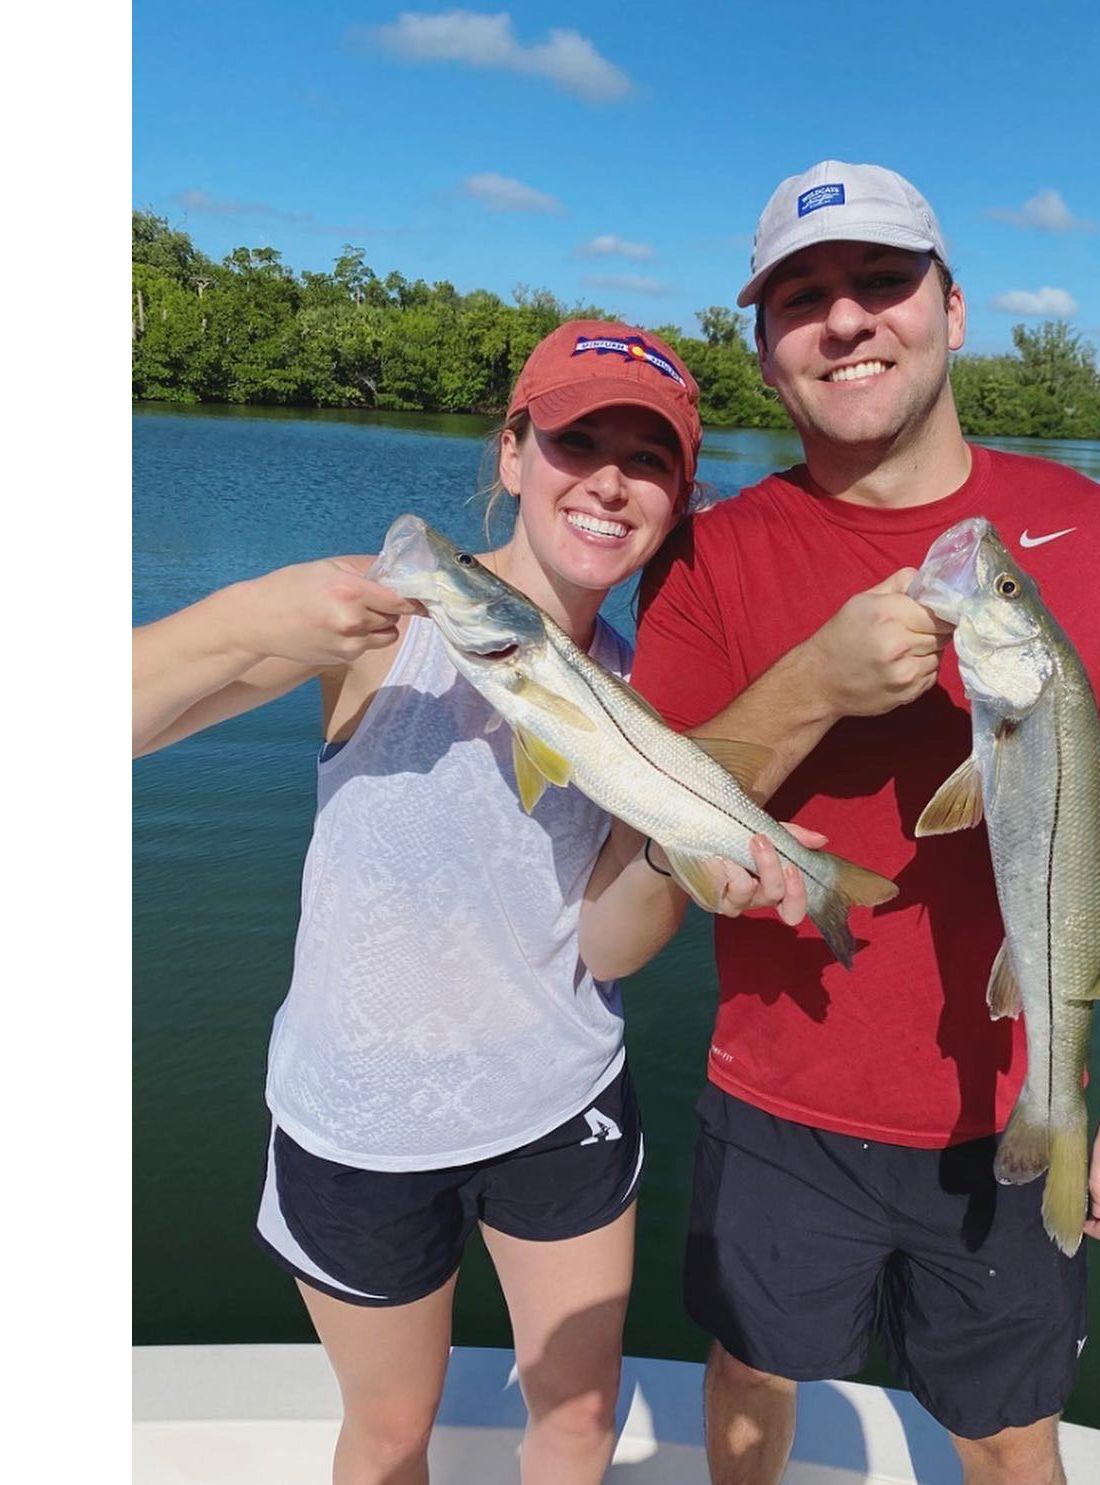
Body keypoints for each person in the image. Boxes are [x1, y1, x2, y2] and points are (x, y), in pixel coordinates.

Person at [579, 163, 1100, 1485]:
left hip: (1011, 1101)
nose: (847, 318)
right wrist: (816, 682)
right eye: (801, 299)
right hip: (777, 1096)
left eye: (882, 281)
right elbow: (659, 817)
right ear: (765, 350)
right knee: (750, 1374)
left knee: (1009, 1429)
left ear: (953, 310)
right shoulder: (706, 555)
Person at [132, 319, 805, 1485]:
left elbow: (608, 949)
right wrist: (253, 617)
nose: (608, 482)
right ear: (512, 453)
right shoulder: (378, 621)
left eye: (647, 460)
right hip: (359, 1123)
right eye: (576, 442)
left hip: (560, 1100)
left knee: (581, 1421)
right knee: (393, 1434)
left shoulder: (649, 693)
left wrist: (679, 860)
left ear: (679, 498)